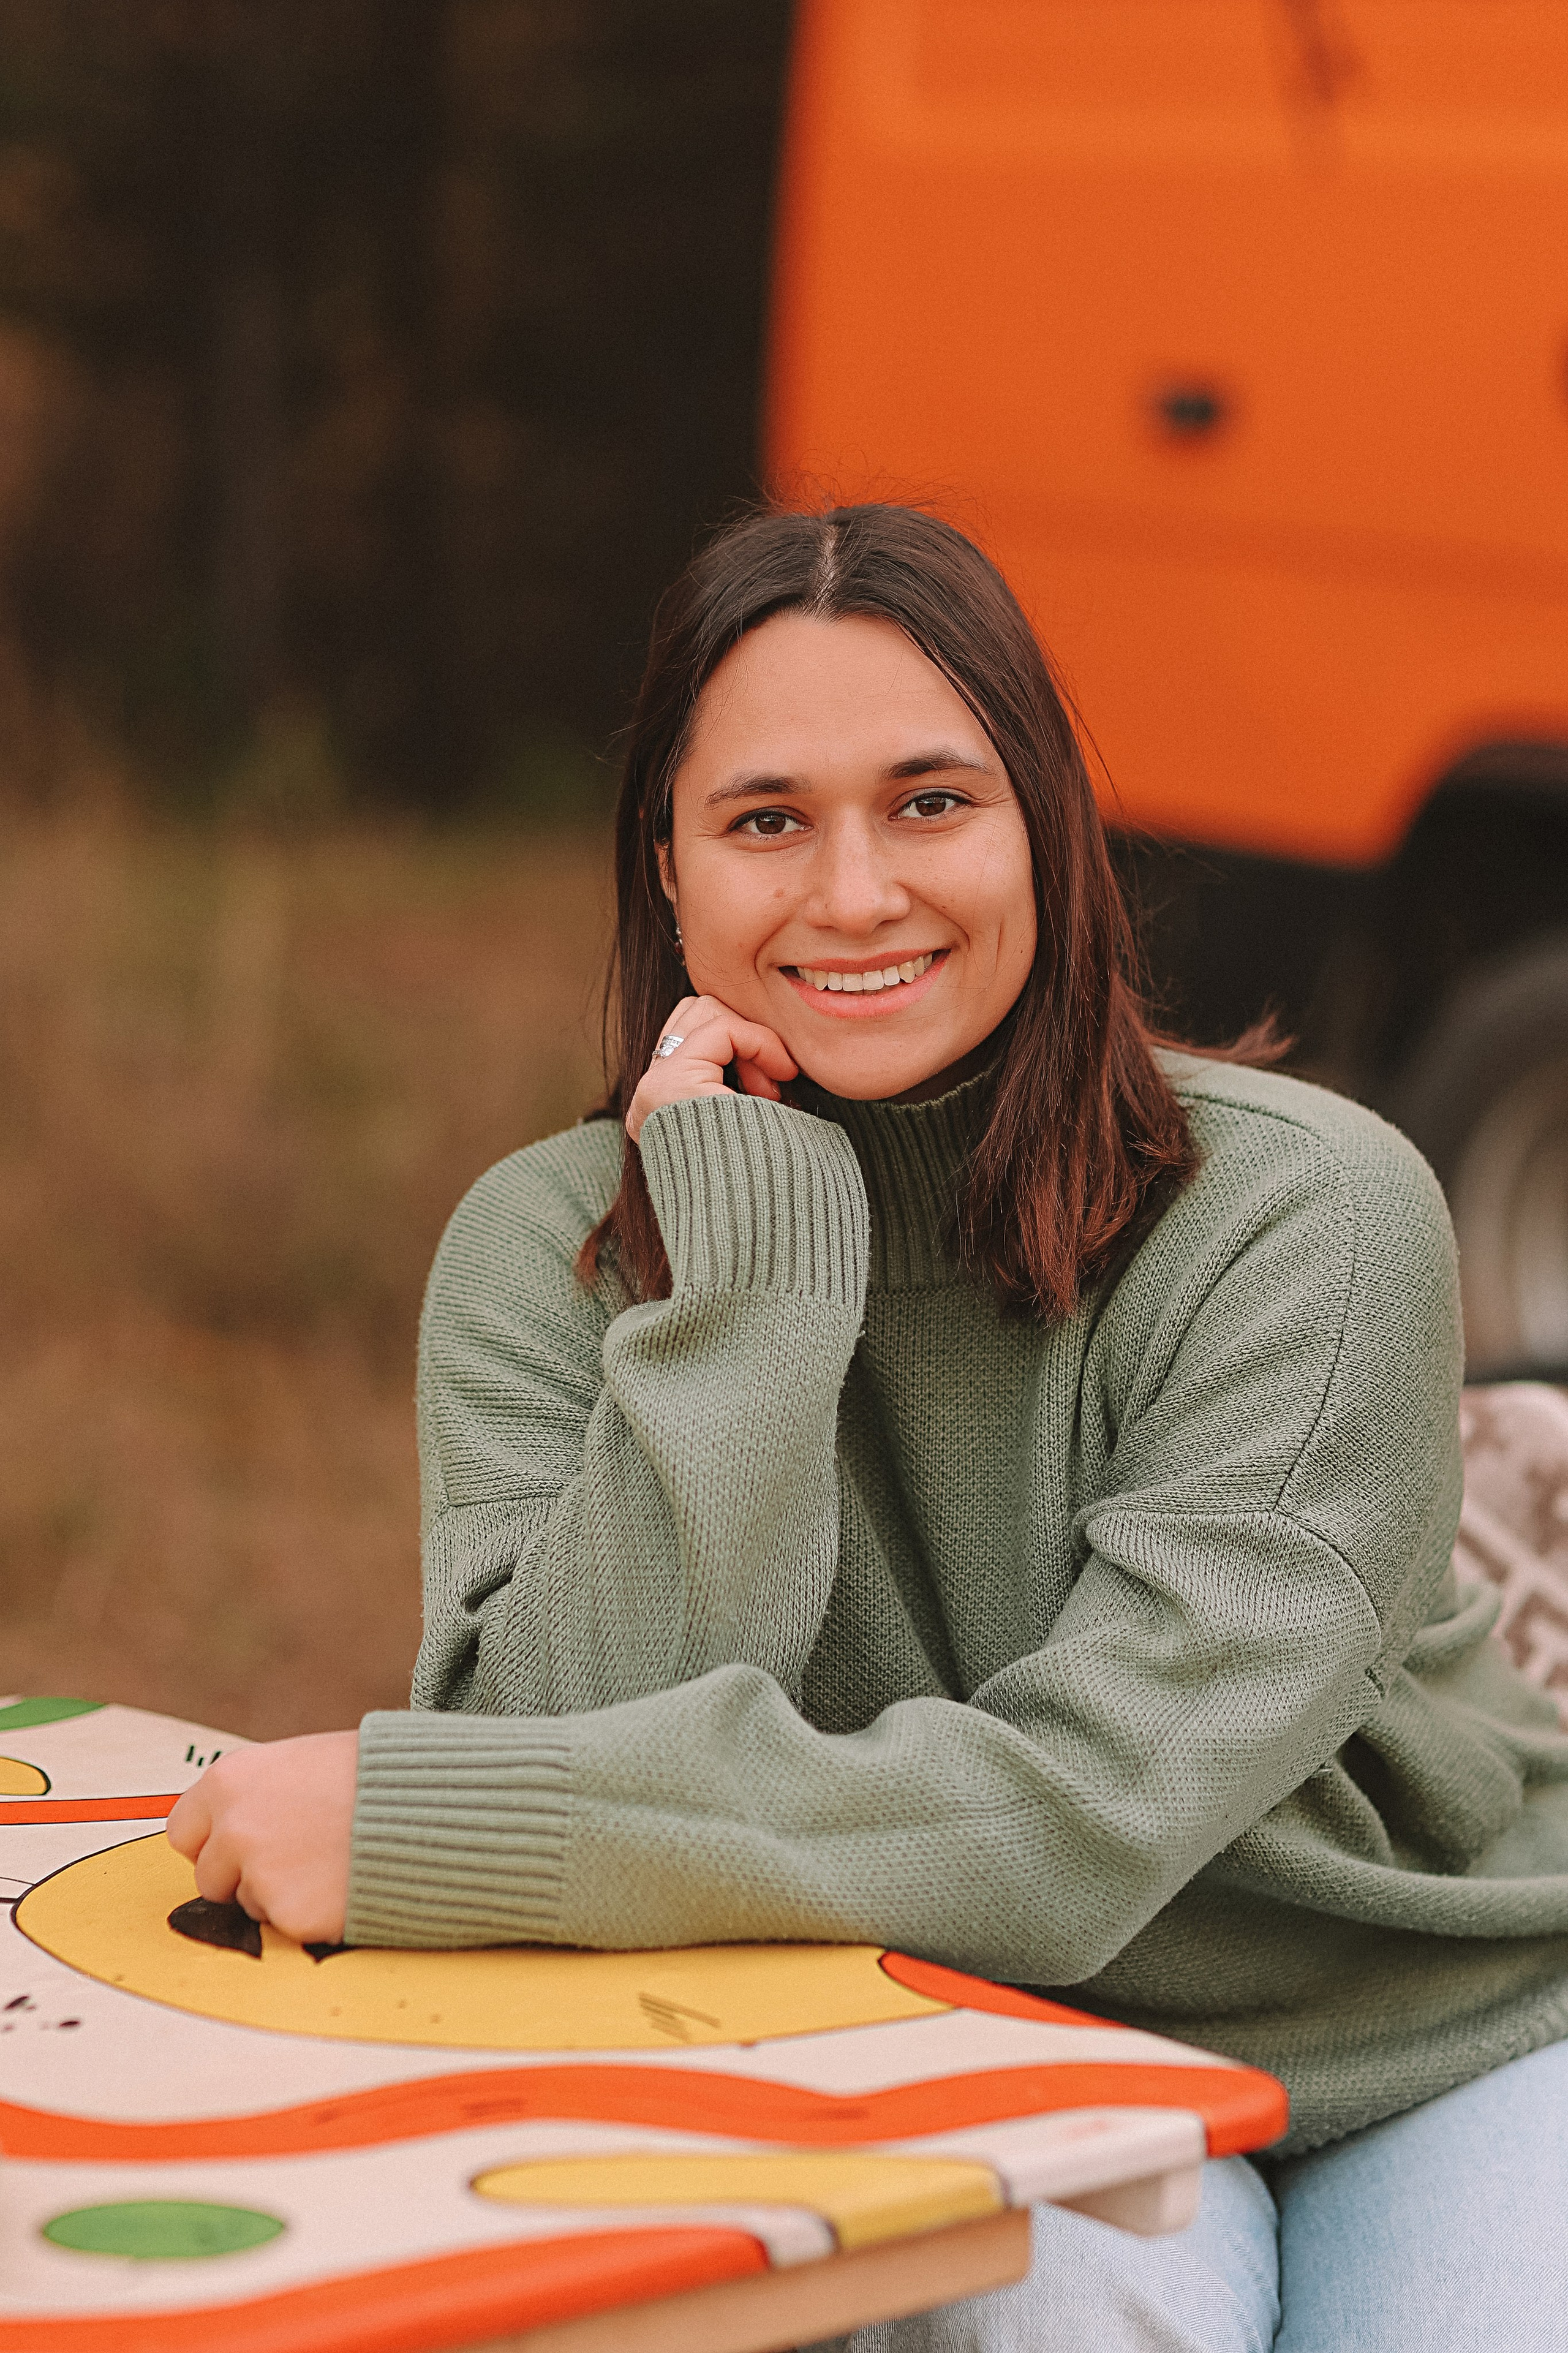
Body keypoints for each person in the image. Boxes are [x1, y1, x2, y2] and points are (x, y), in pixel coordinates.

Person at [169, 505, 1568, 2352]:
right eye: (767, 821)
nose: (853, 893)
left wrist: (439, 1824)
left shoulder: (1309, 1216)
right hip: (948, 2027)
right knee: (1044, 2323)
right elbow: (555, 1743)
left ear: (1046, 832)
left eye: (931, 802)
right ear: (666, 870)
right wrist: (744, 1297)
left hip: (1421, 2023)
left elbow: (1082, 1811)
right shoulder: (547, 1251)